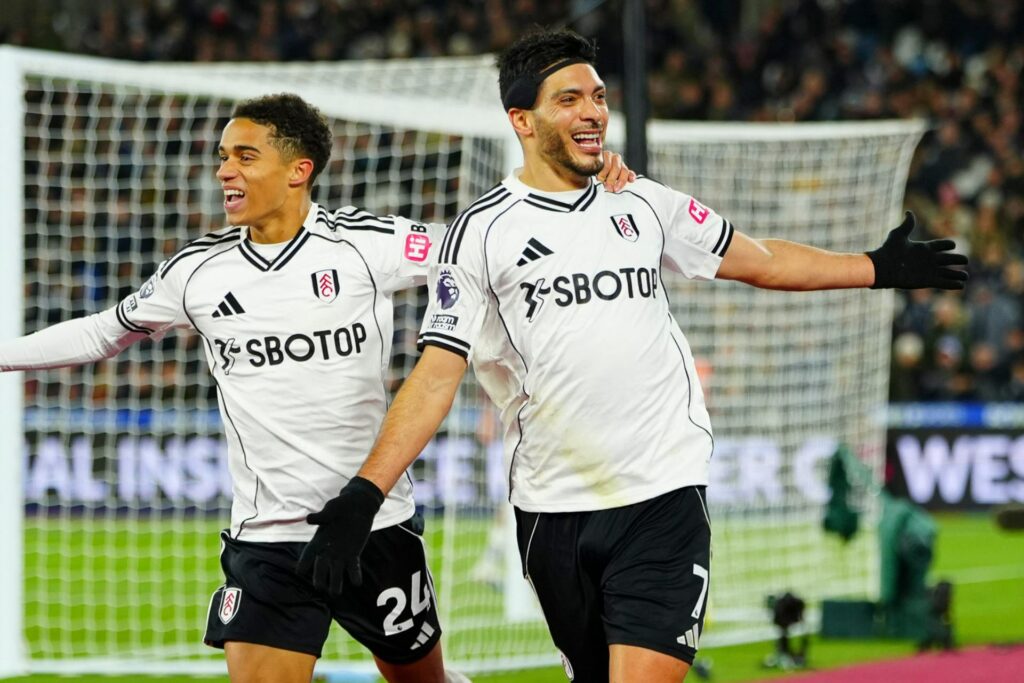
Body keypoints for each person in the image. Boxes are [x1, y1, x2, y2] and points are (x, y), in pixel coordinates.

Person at [297, 29, 969, 683]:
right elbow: (436, 375)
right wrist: (365, 493)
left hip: (662, 495)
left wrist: (874, 266)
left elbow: (758, 259)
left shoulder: (644, 203)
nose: (593, 111)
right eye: (569, 99)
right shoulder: (480, 234)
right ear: (521, 121)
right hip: (552, 509)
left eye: (598, 96)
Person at [0, 92, 635, 683]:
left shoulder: (365, 245)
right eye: (223, 157)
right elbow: (101, 333)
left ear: (298, 169)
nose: (225, 171)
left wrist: (590, 193)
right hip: (269, 539)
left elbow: (491, 246)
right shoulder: (194, 273)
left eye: (245, 156)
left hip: (375, 526)